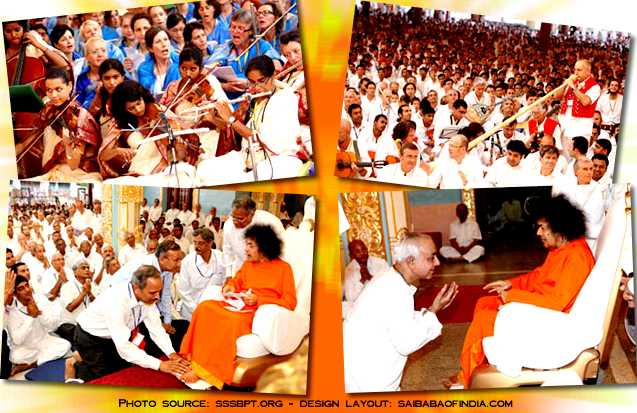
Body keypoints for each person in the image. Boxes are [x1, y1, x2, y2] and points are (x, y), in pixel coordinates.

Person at [449, 195, 594, 389]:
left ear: (559, 228)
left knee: (485, 319)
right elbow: (538, 276)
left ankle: (464, 380)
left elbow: (557, 304)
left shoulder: (577, 257)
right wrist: (510, 284)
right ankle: (478, 362)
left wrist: (513, 297)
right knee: (485, 303)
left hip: (553, 321)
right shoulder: (561, 249)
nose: (538, 233)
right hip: (538, 306)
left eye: (542, 227)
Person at [179, 224, 297, 388]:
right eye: (246, 244)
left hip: (259, 311)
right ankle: (195, 361)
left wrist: (259, 300)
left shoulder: (284, 268)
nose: (245, 250)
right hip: (238, 304)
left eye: (250, 245)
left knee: (231, 321)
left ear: (264, 247)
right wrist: (230, 287)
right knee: (204, 308)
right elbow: (236, 281)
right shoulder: (248, 264)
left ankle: (207, 373)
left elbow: (290, 302)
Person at [343, 233, 458, 392]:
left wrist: (431, 311)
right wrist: (433, 311)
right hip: (369, 379)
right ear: (411, 261)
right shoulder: (396, 289)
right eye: (431, 258)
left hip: (359, 367)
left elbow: (400, 321)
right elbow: (406, 344)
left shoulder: (390, 277)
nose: (437, 262)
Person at [73, 265, 190, 382]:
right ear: (137, 288)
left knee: (122, 370)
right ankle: (77, 368)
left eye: (159, 292)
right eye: (153, 292)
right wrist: (160, 365)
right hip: (90, 338)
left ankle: (83, 360)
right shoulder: (116, 301)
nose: (157, 297)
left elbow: (157, 329)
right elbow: (123, 347)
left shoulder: (148, 297)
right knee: (106, 378)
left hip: (112, 336)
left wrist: (171, 353)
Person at [197, 55, 302, 183]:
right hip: (248, 156)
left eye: (261, 81)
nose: (256, 87)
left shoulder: (284, 98)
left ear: (273, 75)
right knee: (204, 170)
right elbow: (234, 132)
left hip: (277, 159)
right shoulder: (254, 97)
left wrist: (230, 119)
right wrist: (213, 116)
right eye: (252, 82)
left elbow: (263, 140)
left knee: (240, 180)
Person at [15, 67, 101, 181]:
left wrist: (67, 145)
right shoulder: (49, 110)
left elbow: (74, 164)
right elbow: (30, 140)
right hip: (54, 170)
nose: (54, 95)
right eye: (49, 90)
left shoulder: (80, 118)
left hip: (79, 173)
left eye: (58, 89)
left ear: (69, 86)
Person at [6, 274, 70, 373]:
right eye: (21, 288)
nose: (27, 290)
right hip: (26, 349)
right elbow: (17, 340)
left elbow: (51, 326)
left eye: (27, 285)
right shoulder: (11, 311)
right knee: (15, 356)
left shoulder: (40, 299)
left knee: (65, 345)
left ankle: (33, 364)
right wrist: (31, 317)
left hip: (44, 342)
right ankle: (41, 359)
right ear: (15, 294)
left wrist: (39, 313)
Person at [222, 197, 284, 274]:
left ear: (252, 214)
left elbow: (282, 249)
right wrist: (228, 274)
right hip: (241, 268)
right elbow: (227, 251)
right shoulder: (228, 225)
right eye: (233, 217)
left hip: (267, 269)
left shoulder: (270, 222)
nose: (235, 221)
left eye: (240, 219)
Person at [177, 228, 226, 321]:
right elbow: (184, 291)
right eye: (195, 242)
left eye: (201, 243)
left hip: (215, 309)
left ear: (210, 243)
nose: (196, 246)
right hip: (192, 311)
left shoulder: (221, 257)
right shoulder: (187, 262)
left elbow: (225, 282)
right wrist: (197, 309)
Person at [557, 59, 600, 142]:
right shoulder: (572, 82)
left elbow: (586, 102)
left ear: (588, 71)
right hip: (564, 124)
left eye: (579, 70)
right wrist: (565, 84)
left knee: (575, 153)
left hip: (580, 127)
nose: (575, 73)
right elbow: (557, 97)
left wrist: (573, 87)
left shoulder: (595, 86)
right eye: (575, 69)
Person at [137, 27, 180, 98]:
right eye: (158, 42)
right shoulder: (144, 70)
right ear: (150, 49)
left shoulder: (180, 63)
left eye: (166, 39)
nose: (164, 44)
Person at [343, 239, 390, 304]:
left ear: (367, 249)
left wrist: (371, 278)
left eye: (363, 249)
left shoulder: (380, 263)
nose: (362, 253)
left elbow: (389, 287)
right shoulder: (349, 270)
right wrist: (362, 281)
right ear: (352, 256)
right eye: (357, 251)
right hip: (361, 306)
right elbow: (350, 298)